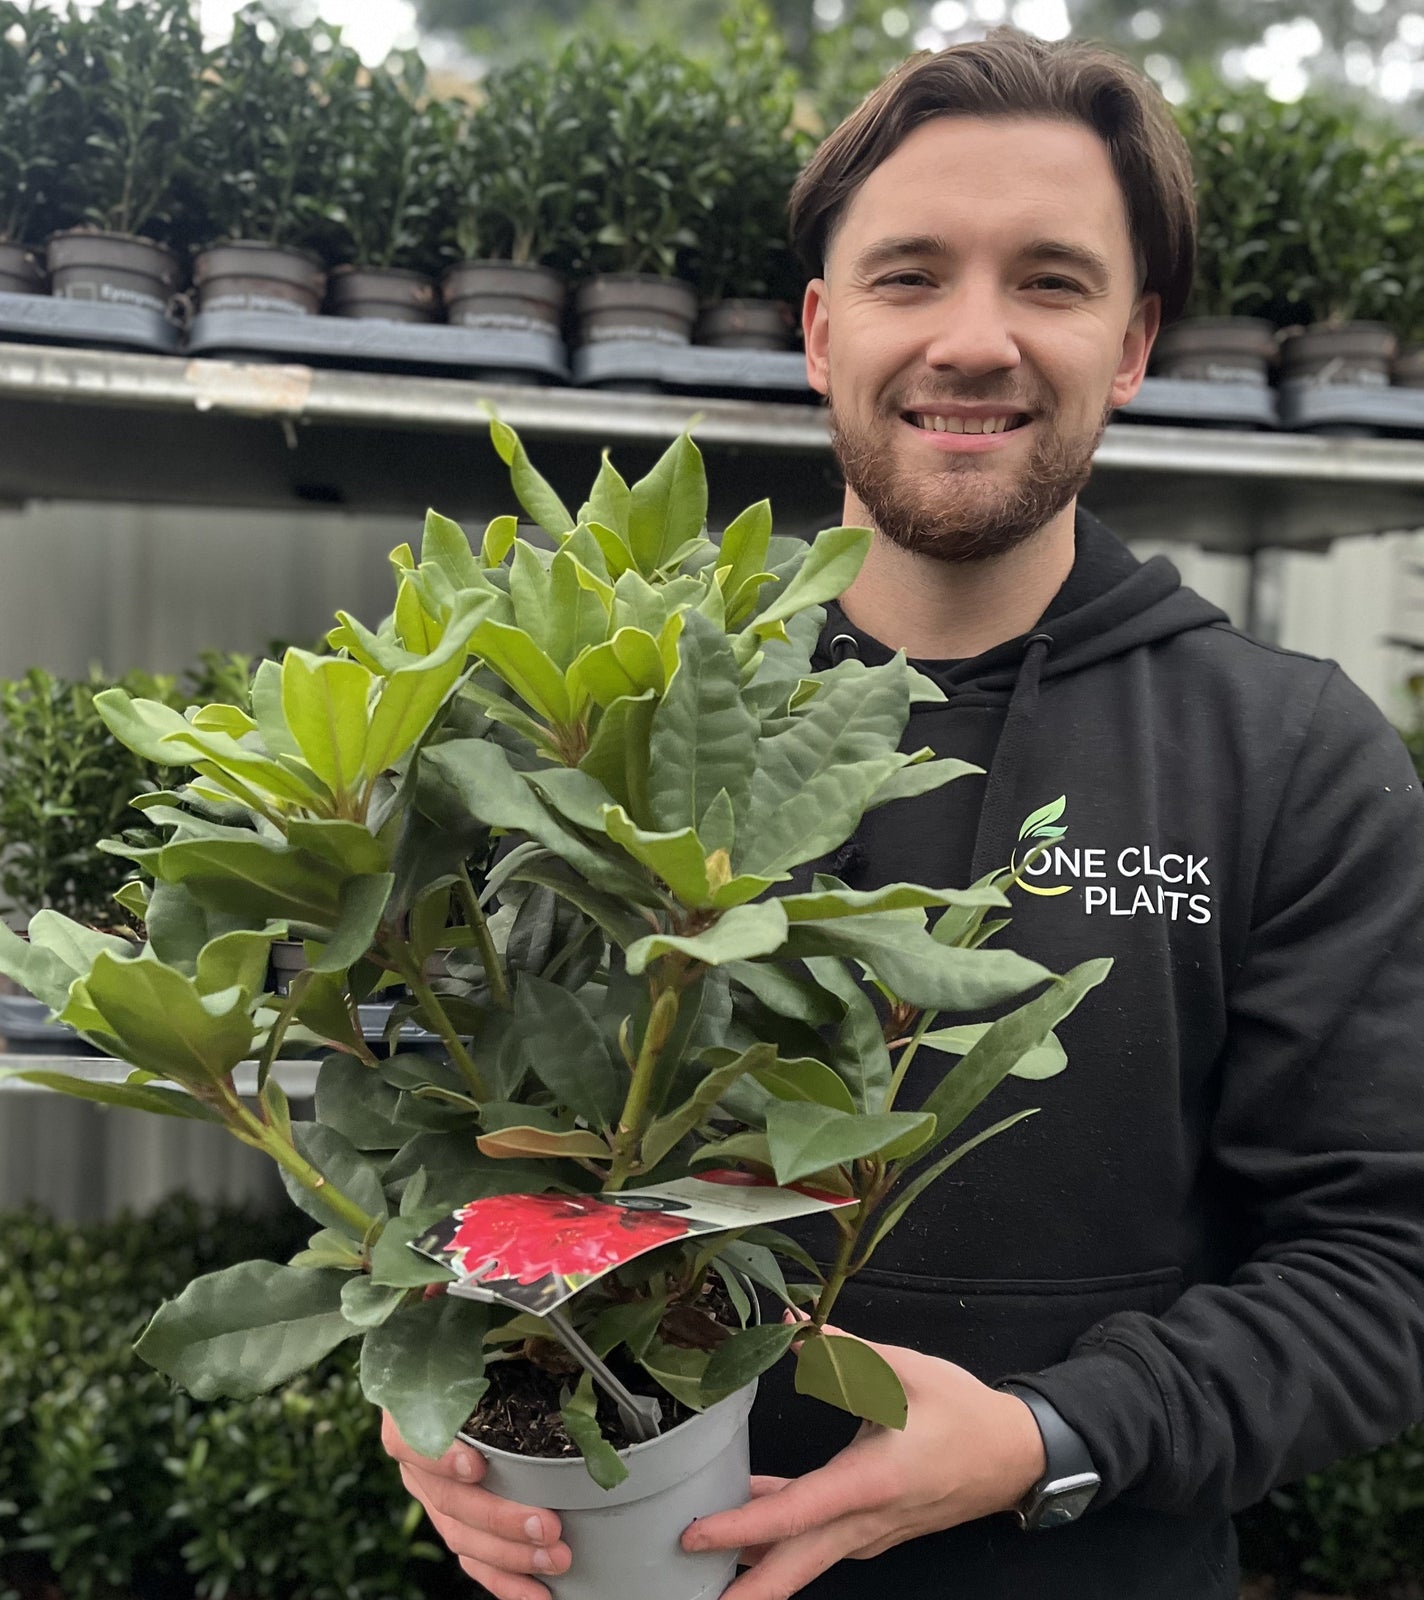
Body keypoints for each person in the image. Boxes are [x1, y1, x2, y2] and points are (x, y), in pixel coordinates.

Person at [381, 25, 1424, 1600]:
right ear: (820, 327)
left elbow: (1385, 1272)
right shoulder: (605, 719)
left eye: (1053, 282)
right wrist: (430, 1396)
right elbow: (450, 1154)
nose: (976, 340)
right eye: (911, 273)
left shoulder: (1287, 756)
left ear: (1133, 343)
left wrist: (1047, 1433)